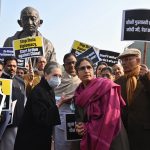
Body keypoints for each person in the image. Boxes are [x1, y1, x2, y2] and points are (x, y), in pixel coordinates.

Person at [74, 58, 129, 150]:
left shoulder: (106, 86)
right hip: (90, 138)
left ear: (93, 70)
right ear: (77, 73)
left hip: (112, 136)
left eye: (89, 67)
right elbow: (80, 116)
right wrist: (79, 126)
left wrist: (87, 127)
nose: (86, 71)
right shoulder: (78, 93)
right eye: (82, 68)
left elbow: (110, 116)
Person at [14, 61, 62, 150]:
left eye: (60, 76)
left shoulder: (49, 89)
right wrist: (59, 104)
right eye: (55, 75)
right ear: (46, 74)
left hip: (42, 136)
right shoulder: (39, 91)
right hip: (31, 138)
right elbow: (42, 117)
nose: (58, 79)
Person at [116, 48, 150, 150]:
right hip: (125, 133)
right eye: (123, 61)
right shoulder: (118, 82)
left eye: (128, 59)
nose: (124, 63)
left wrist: (146, 79)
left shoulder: (147, 77)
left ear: (138, 60)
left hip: (145, 134)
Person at [54, 53, 81, 150]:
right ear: (64, 65)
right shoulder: (57, 79)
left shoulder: (82, 76)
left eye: (74, 62)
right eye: (69, 63)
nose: (72, 65)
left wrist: (75, 98)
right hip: (61, 115)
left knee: (76, 144)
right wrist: (62, 100)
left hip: (78, 116)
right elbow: (52, 96)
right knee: (61, 144)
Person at [0, 56, 26, 150]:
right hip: (6, 124)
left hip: (20, 122)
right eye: (9, 65)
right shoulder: (1, 79)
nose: (12, 68)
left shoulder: (20, 81)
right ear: (4, 66)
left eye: (14, 66)